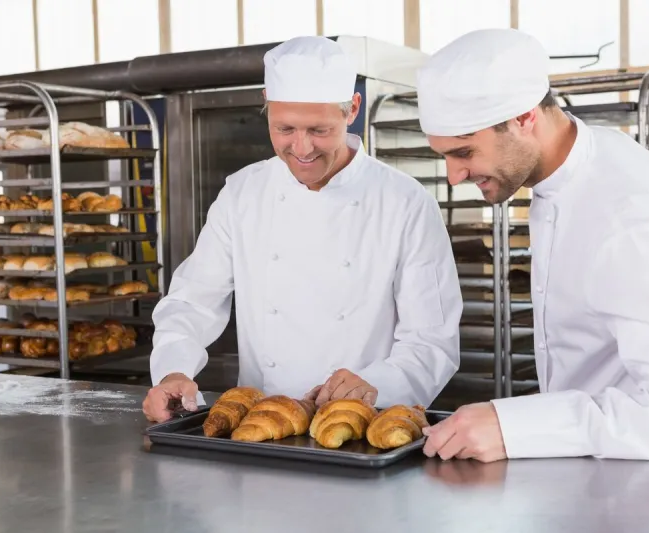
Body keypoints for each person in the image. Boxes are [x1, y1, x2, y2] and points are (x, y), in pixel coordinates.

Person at [416, 28, 649, 462]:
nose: (454, 176)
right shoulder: (568, 170)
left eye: (464, 152)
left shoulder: (628, 217)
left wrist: (515, 426)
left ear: (524, 118)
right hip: (601, 474)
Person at [142, 36, 462, 423]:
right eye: (285, 128)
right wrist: (173, 369)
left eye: (319, 130)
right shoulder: (243, 192)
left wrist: (377, 384)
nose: (302, 148)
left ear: (352, 110)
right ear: (267, 105)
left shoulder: (405, 201)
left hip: (362, 423)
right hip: (261, 424)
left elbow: (431, 342)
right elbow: (193, 301)